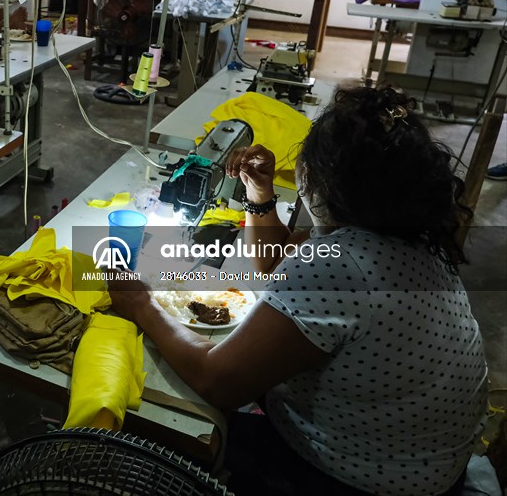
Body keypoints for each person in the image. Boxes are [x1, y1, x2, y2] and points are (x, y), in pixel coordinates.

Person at [109, 85, 488, 496]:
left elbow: (217, 379)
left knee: (174, 427)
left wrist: (141, 303)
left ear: (323, 180)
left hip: (351, 481)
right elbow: (276, 264)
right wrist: (259, 195)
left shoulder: (343, 265)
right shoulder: (404, 233)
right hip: (426, 467)